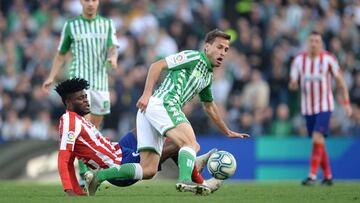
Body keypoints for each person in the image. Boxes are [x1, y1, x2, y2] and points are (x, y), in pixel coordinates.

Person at [55, 78, 221, 196]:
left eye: (85, 96)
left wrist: (77, 189)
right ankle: (199, 178)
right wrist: (71, 191)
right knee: (180, 144)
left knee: (149, 123)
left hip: (119, 149)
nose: (86, 101)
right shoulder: (69, 121)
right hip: (118, 165)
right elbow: (65, 159)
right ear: (68, 103)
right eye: (80, 98)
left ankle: (195, 166)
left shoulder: (78, 120)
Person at [135, 29, 250, 194]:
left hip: (159, 108)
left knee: (148, 169)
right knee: (190, 143)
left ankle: (100, 176)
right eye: (219, 47)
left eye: (226, 50)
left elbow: (209, 106)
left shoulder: (207, 76)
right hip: (164, 104)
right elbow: (157, 65)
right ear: (207, 47)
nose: (223, 53)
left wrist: (227, 131)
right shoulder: (193, 57)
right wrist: (146, 94)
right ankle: (185, 180)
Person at [289, 31, 352, 186]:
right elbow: (292, 81)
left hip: (325, 106)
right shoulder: (298, 60)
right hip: (307, 108)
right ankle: (328, 176)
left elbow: (340, 82)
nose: (314, 43)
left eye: (317, 41)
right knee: (319, 141)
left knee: (317, 137)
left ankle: (312, 175)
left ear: (321, 44)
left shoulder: (329, 59)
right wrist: (293, 85)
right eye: (311, 40)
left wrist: (346, 104)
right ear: (307, 43)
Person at [43, 0, 118, 129]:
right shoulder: (71, 25)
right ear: (81, 2)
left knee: (96, 124)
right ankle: (78, 146)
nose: (90, 4)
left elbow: (113, 47)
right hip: (79, 77)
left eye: (94, 0)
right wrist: (51, 76)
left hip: (100, 80)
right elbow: (61, 54)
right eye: (87, 0)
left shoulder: (107, 24)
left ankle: (89, 147)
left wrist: (113, 57)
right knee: (85, 119)